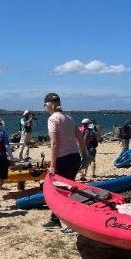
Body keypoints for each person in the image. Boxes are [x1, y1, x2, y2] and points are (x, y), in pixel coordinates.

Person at [43, 92, 89, 230]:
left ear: (48, 105)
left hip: (62, 159)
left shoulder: (53, 119)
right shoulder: (69, 117)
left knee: (58, 191)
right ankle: (59, 217)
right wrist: (85, 155)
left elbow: (55, 144)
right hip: (74, 157)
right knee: (68, 190)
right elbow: (80, 137)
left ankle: (62, 221)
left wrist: (52, 165)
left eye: (44, 105)